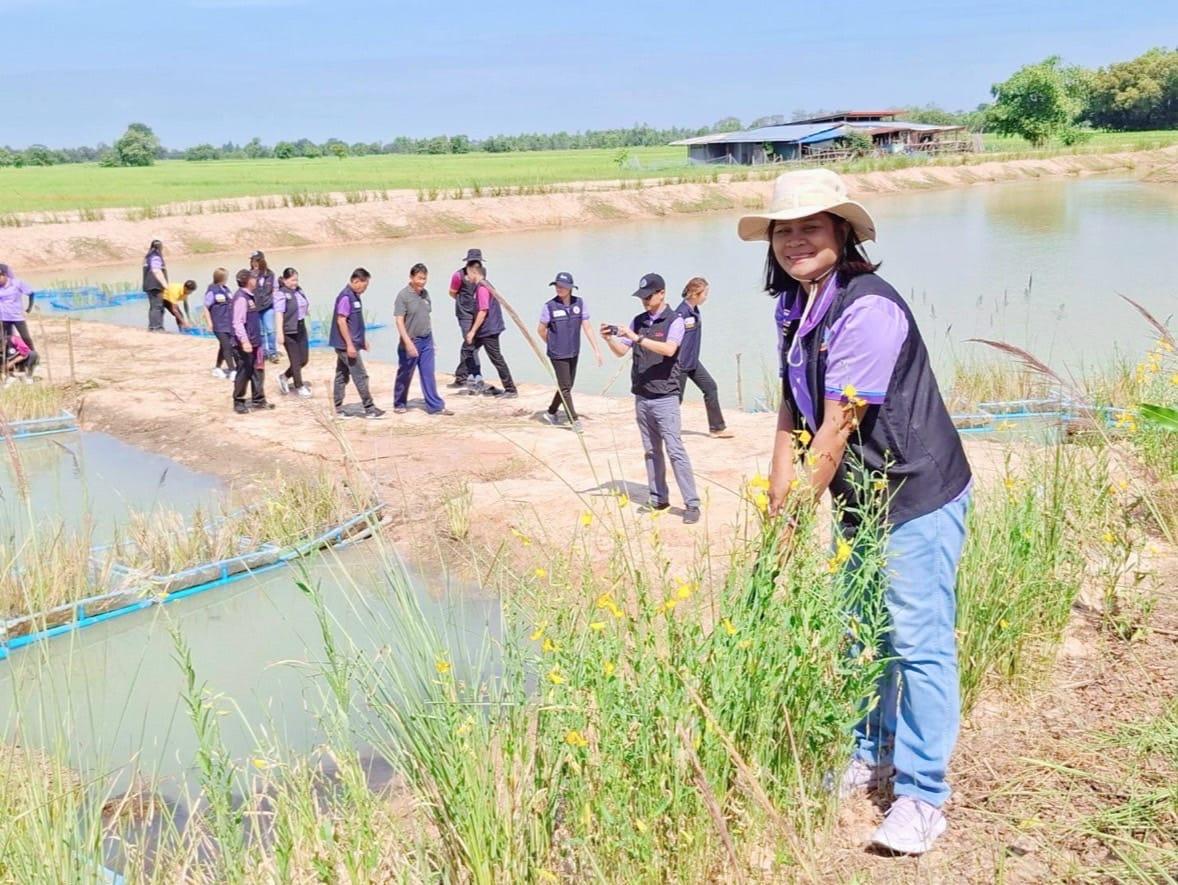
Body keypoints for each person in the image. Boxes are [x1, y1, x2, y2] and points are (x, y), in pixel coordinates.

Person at [739, 168, 972, 856]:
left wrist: (793, 518)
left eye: (811, 226)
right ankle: (870, 751)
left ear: (842, 232)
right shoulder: (797, 306)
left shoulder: (867, 307)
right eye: (784, 230)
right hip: (858, 500)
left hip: (916, 491)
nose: (795, 240)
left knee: (917, 637)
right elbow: (792, 406)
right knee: (860, 629)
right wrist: (777, 494)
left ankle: (924, 795)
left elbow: (838, 426)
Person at [601, 273, 701, 525]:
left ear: (662, 293)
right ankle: (658, 498)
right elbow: (621, 351)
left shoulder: (675, 320)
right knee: (650, 450)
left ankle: (692, 504)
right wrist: (610, 338)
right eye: (642, 297)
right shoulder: (638, 321)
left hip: (665, 396)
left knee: (675, 450)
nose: (645, 301)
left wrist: (637, 338)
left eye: (649, 296)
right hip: (642, 396)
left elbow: (669, 349)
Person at [537, 271, 602, 432]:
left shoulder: (579, 304)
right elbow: (541, 330)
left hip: (573, 351)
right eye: (557, 286)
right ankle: (574, 420)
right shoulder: (549, 306)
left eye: (562, 286)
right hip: (557, 353)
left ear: (570, 288)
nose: (559, 289)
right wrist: (552, 343)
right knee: (565, 387)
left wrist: (596, 349)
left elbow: (587, 326)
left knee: (567, 385)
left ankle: (551, 412)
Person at [674, 277, 732, 438]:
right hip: (679, 363)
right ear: (694, 294)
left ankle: (717, 428)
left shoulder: (694, 310)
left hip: (692, 361)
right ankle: (665, 430)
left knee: (710, 387)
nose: (706, 297)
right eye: (705, 293)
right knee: (675, 399)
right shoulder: (681, 313)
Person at [393, 263, 452, 416]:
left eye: (424, 278)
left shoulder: (426, 294)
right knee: (405, 374)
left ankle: (435, 406)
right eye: (419, 278)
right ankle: (399, 402)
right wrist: (408, 343)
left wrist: (433, 341)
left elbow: (427, 317)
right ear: (411, 278)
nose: (422, 282)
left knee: (428, 373)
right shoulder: (403, 296)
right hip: (410, 341)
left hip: (426, 340)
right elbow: (399, 321)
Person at [329, 267, 385, 420]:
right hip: (345, 345)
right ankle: (369, 408)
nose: (365, 289)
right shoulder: (346, 297)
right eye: (364, 285)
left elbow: (355, 322)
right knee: (360, 375)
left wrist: (362, 341)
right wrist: (350, 345)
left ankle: (337, 408)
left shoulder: (355, 296)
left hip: (350, 344)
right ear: (356, 281)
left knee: (342, 374)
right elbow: (341, 321)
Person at [464, 261, 518, 399]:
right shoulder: (483, 286)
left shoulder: (482, 288)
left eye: (468, 273)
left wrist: (472, 331)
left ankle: (510, 389)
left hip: (489, 329)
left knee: (496, 358)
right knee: (468, 349)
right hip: (486, 328)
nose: (467, 277)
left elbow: (483, 311)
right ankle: (474, 381)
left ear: (474, 273)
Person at [229, 269, 274, 414]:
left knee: (258, 371)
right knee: (244, 372)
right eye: (254, 278)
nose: (256, 281)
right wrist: (245, 341)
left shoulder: (250, 297)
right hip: (244, 344)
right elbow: (238, 323)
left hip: (256, 342)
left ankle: (259, 400)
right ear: (248, 281)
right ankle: (239, 401)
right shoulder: (241, 298)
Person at [448, 248, 485, 390]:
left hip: (477, 312)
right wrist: (463, 303)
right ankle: (476, 375)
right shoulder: (458, 276)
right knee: (470, 342)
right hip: (464, 314)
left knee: (472, 344)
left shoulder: (483, 272)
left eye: (478, 262)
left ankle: (461, 375)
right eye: (472, 262)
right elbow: (452, 293)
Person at [274, 267, 312, 398]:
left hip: (301, 326)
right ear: (284, 280)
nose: (295, 283)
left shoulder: (298, 291)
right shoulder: (281, 294)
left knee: (304, 359)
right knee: (295, 360)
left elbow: (303, 305)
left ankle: (284, 377)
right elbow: (279, 313)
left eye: (296, 280)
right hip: (289, 330)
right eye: (292, 280)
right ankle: (299, 386)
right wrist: (279, 333)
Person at [0, 263, 37, 380]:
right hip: (4, 318)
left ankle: (34, 358)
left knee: (26, 338)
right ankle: (11, 363)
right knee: (6, 340)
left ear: (5, 275)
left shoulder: (17, 283)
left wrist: (29, 307)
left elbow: (31, 293)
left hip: (17, 317)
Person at [203, 268, 236, 379]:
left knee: (224, 346)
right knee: (227, 346)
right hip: (218, 324)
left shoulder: (226, 289)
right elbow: (206, 307)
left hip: (229, 323)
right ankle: (232, 370)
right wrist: (209, 323)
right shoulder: (212, 291)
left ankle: (217, 368)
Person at [250, 250, 280, 363]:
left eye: (257, 260)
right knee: (260, 332)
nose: (254, 263)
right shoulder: (250, 274)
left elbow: (275, 289)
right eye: (253, 261)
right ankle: (263, 353)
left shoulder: (270, 274)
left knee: (271, 330)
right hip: (255, 308)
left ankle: (273, 352)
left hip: (268, 306)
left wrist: (273, 301)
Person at [143, 239, 168, 331]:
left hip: (148, 285)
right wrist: (165, 285)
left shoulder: (148, 257)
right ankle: (157, 327)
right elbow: (157, 271)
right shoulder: (155, 257)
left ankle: (152, 326)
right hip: (155, 285)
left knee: (154, 306)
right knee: (157, 306)